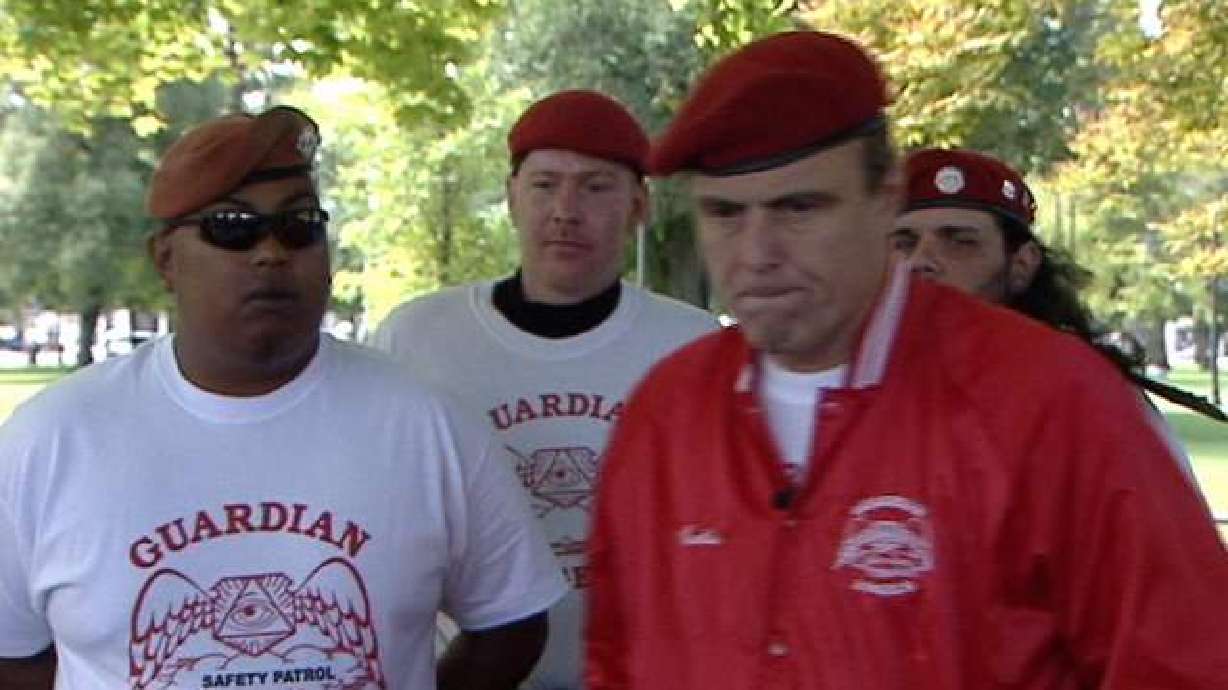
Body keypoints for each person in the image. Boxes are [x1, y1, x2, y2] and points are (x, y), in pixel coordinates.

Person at [585, 31, 1228, 689]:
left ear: (886, 197)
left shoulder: (1054, 405)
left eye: (799, 207)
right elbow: (616, 660)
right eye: (724, 212)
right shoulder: (664, 417)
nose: (757, 252)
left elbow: (1185, 663)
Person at [0, 106, 567, 690]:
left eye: (299, 225)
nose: (271, 252)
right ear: (166, 259)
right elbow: (10, 655)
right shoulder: (53, 438)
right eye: (232, 226)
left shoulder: (426, 424)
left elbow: (511, 623)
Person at [370, 89, 717, 690]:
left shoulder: (691, 346)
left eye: (595, 187)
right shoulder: (419, 339)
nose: (565, 209)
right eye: (544, 184)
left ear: (640, 206)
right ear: (510, 197)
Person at [891, 146, 1226, 424]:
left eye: (960, 242)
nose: (921, 261)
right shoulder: (856, 389)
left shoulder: (1084, 397)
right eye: (903, 243)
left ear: (1022, 264)